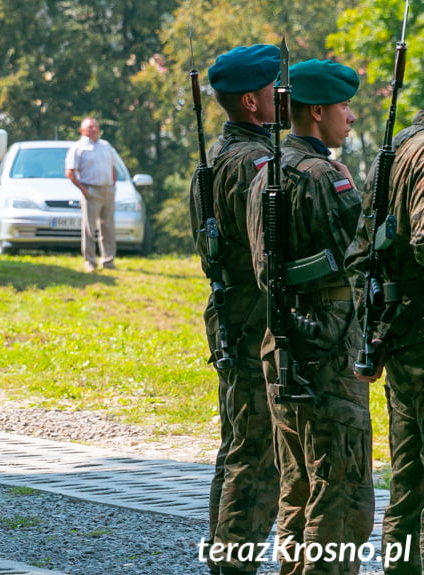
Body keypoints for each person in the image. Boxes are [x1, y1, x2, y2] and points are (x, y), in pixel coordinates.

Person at [247, 59, 373, 575]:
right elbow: (364, 253)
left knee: (297, 485)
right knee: (340, 492)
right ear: (317, 111)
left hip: (281, 343)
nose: (350, 116)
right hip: (328, 345)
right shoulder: (326, 178)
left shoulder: (265, 173)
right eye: (344, 106)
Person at [189, 44, 280, 575]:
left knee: (239, 444)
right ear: (251, 101)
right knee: (257, 452)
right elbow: (270, 250)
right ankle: (234, 563)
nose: (283, 96)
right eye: (274, 89)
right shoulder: (253, 163)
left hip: (233, 313)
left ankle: (226, 554)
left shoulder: (223, 156)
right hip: (254, 317)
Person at [345, 109, 424, 575]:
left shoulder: (392, 153)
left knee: (408, 476)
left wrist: (373, 327)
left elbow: (362, 251)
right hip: (418, 331)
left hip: (401, 331)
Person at [65, 116, 118, 272]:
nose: (94, 129)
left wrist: (113, 184)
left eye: (95, 126)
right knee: (89, 228)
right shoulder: (78, 147)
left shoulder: (106, 145)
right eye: (90, 127)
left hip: (107, 190)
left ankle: (108, 260)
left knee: (108, 227)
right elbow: (70, 172)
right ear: (82, 130)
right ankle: (90, 261)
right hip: (90, 190)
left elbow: (113, 166)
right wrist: (83, 189)